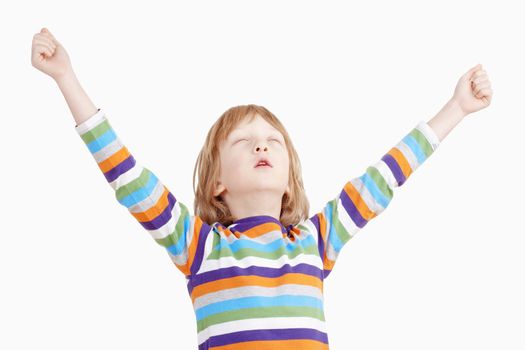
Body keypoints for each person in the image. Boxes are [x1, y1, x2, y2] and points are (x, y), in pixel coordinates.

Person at [31, 27, 492, 350]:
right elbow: (126, 175)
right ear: (217, 185)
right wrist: (66, 78)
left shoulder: (316, 241)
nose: (262, 147)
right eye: (244, 142)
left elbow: (386, 176)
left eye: (273, 141)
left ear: (290, 185)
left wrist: (456, 107)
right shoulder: (200, 248)